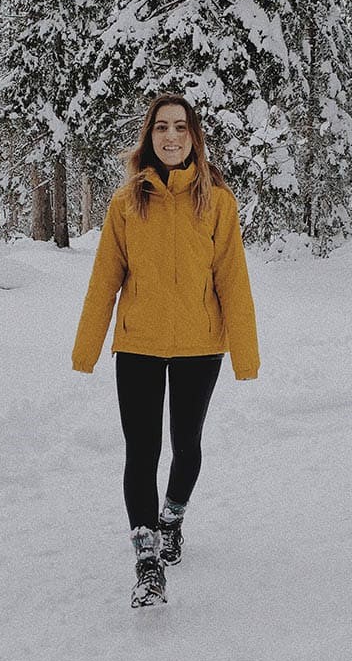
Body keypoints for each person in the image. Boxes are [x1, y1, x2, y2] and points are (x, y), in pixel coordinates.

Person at [72, 93, 260, 608]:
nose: (171, 136)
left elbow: (233, 281)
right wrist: (87, 348)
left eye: (180, 127)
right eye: (161, 127)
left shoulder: (217, 202)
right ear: (149, 136)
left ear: (193, 137)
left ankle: (171, 518)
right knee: (141, 451)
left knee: (186, 445)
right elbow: (104, 281)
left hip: (200, 346)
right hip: (139, 345)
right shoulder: (126, 203)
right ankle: (147, 560)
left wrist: (244, 354)